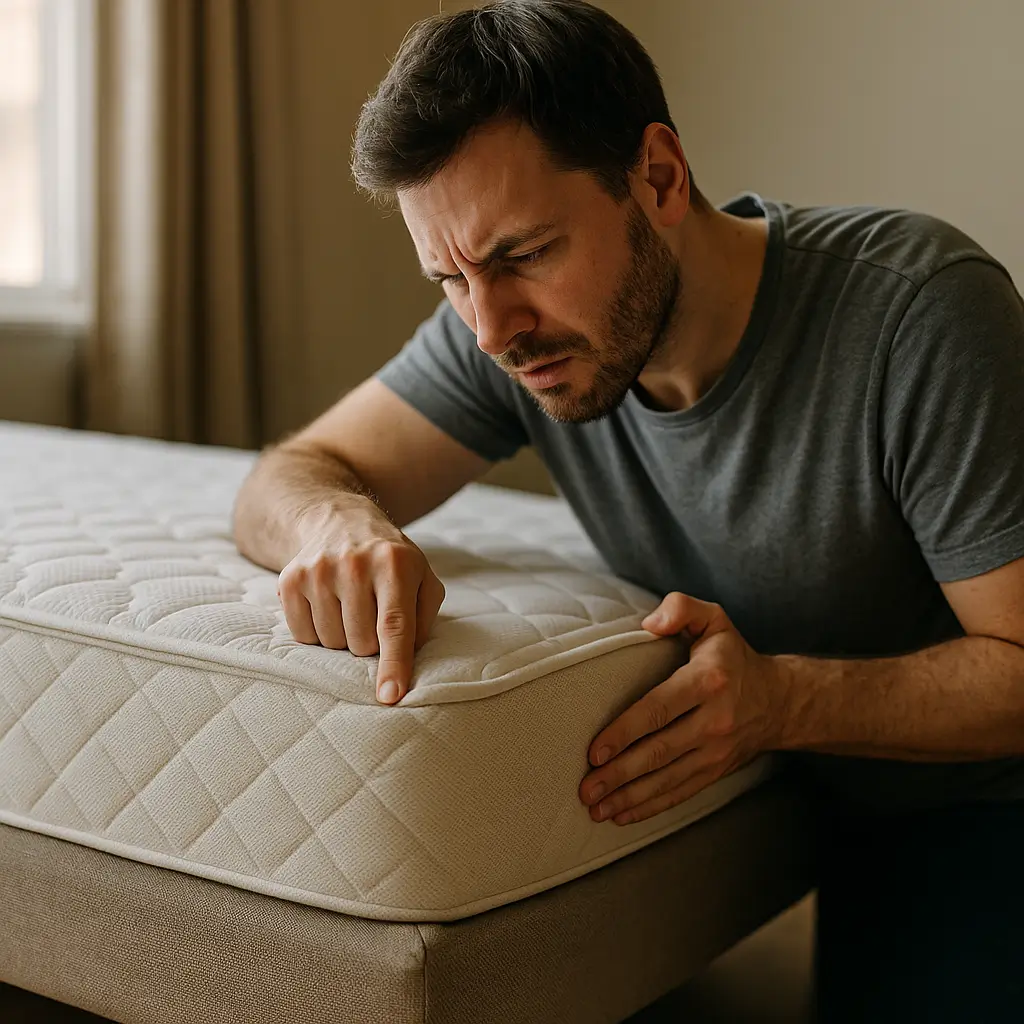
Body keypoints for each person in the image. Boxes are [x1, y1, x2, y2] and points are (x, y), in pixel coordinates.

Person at [232, 1, 1024, 1019]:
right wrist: (341, 526)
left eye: (521, 256)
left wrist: (780, 699)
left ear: (657, 177)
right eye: (449, 278)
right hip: (814, 798)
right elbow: (293, 471)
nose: (488, 330)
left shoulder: (918, 314)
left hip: (984, 804)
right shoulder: (518, 333)